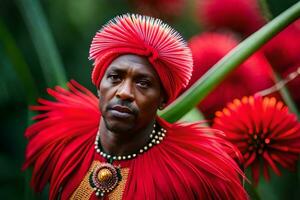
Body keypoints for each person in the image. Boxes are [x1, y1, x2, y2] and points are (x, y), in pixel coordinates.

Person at [23, 14, 248, 200]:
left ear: (163, 99)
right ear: (99, 85)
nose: (125, 92)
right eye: (115, 77)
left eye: (143, 83)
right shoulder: (60, 135)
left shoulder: (195, 175)